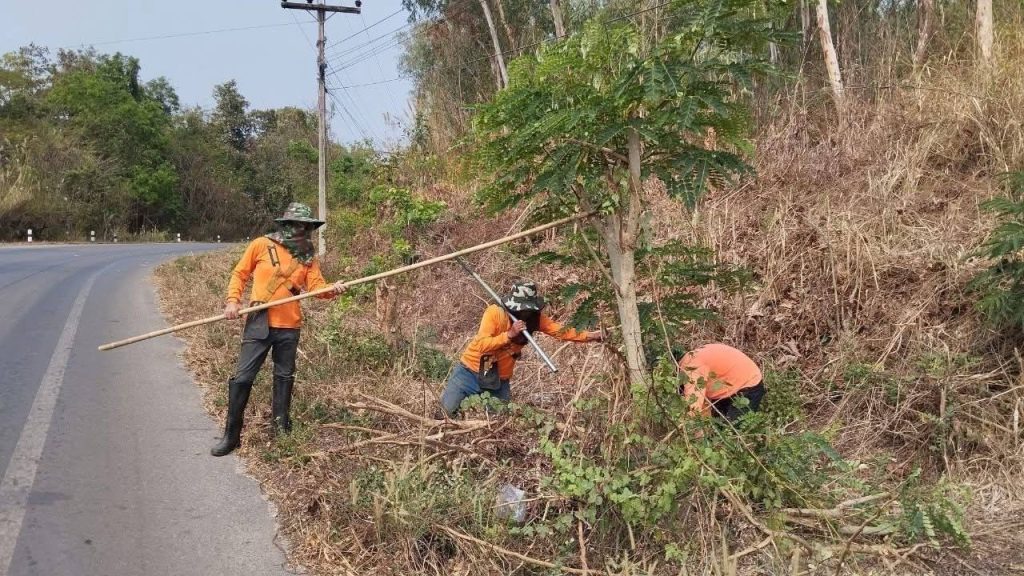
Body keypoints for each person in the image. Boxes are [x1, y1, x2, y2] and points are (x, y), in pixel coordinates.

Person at [211, 202, 346, 457]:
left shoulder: (307, 256)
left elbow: (317, 288)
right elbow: (240, 274)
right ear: (285, 225)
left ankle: (280, 430)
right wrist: (232, 301)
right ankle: (231, 435)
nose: (301, 230)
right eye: (296, 225)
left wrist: (332, 289)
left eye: (305, 226)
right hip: (259, 320)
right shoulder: (261, 245)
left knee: (284, 377)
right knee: (242, 377)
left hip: (289, 326)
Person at [440, 281, 603, 416]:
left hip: (498, 378)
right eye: (521, 308)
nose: (524, 312)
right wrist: (509, 335)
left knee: (500, 424)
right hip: (470, 370)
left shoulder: (535, 319)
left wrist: (590, 336)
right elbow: (482, 344)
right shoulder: (495, 313)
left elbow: (560, 330)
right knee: (445, 413)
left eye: (528, 309)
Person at [678, 343, 765, 421]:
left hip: (748, 385)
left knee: (731, 430)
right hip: (730, 385)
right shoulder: (690, 358)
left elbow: (693, 407)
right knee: (715, 425)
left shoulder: (691, 369)